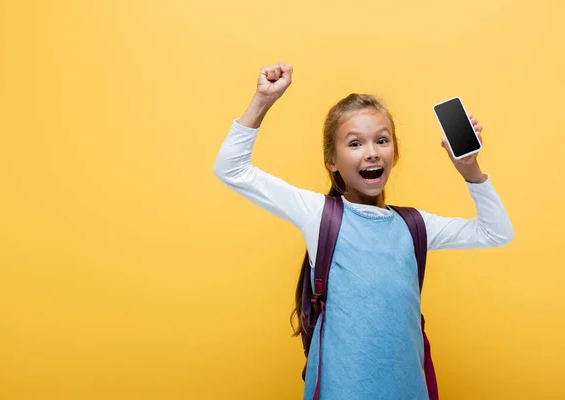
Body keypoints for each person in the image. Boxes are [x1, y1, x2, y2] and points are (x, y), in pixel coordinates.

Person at [213, 61, 514, 399]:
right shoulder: (318, 215)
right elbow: (231, 169)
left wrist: (470, 169)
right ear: (332, 160)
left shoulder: (414, 226)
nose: (371, 153)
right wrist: (262, 101)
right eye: (355, 144)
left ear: (394, 152)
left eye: (382, 141)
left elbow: (496, 232)